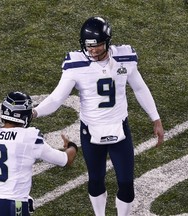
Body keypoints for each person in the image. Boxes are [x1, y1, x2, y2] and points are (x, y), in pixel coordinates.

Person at [32, 16, 164, 216]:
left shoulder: (124, 58)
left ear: (108, 41)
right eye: (89, 46)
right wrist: (35, 111)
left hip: (119, 128)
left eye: (98, 45)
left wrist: (156, 118)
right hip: (91, 130)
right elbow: (57, 97)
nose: (92, 50)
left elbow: (139, 88)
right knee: (95, 179)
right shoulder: (75, 65)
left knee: (127, 184)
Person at [0, 91, 78, 216]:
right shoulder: (29, 137)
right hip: (16, 205)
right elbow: (66, 159)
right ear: (26, 116)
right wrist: (72, 145)